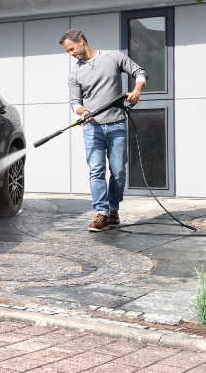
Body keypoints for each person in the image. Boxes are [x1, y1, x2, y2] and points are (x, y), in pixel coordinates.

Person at [60, 30, 147, 232]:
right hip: (92, 129)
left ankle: (113, 210)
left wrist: (137, 91)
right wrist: (83, 112)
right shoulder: (75, 73)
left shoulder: (113, 57)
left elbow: (140, 72)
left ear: (81, 41)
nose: (71, 54)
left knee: (118, 171)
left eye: (72, 49)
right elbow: (75, 103)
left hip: (116, 124)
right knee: (96, 171)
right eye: (68, 52)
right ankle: (101, 213)